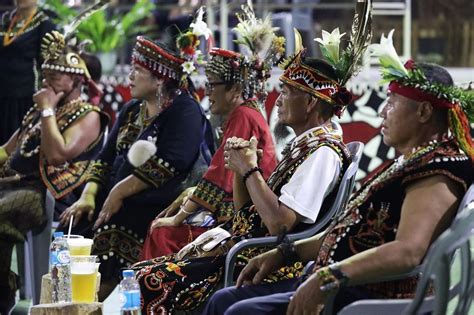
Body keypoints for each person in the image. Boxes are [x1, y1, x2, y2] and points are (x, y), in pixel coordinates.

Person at [203, 32, 474, 315]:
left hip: (362, 296)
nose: (382, 112)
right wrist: (286, 253)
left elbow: (408, 252)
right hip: (339, 283)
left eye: (392, 102)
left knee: (235, 309)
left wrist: (327, 278)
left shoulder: (437, 169)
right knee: (224, 301)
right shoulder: (416, 162)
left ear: (424, 112)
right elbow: (353, 233)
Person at [129, 9, 360, 311]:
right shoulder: (305, 147)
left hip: (261, 263)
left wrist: (250, 169)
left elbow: (279, 225)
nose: (279, 101)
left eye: (288, 92)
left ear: (311, 101)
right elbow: (245, 212)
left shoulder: (322, 154)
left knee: (146, 281)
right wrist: (240, 170)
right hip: (244, 248)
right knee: (139, 275)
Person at [59, 35, 211, 300]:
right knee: (77, 220)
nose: (129, 76)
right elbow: (105, 158)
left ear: (160, 78)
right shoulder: (132, 109)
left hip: (158, 201)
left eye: (138, 70)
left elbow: (171, 162)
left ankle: (101, 299)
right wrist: (89, 195)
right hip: (119, 199)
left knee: (113, 226)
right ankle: (74, 298)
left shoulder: (184, 110)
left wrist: (118, 192)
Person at [140, 7, 281, 259]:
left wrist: (179, 218)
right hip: (240, 206)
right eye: (207, 85)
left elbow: (220, 175)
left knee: (163, 233)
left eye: (213, 86)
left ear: (235, 89)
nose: (208, 93)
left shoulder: (243, 116)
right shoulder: (244, 113)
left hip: (248, 215)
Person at [0, 27, 108, 313]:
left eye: (54, 75)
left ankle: (3, 292)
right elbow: (8, 150)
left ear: (75, 79)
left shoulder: (89, 115)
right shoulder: (39, 110)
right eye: (44, 75)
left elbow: (58, 154)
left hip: (41, 194)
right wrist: (44, 110)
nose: (46, 81)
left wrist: (47, 109)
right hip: (11, 184)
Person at [0, 0, 56, 144]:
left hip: (23, 96)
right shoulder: (6, 20)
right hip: (2, 91)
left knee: (16, 143)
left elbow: (48, 64)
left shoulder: (44, 24)